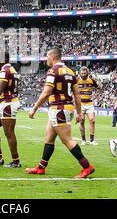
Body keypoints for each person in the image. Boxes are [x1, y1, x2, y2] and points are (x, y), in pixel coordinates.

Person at [25, 47, 95, 178]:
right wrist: (79, 113)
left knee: (67, 140)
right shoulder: (70, 71)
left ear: (52, 57)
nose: (46, 60)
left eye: (47, 57)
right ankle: (41, 167)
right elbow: (77, 95)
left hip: (58, 109)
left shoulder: (53, 71)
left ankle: (87, 167)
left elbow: (46, 92)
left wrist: (34, 108)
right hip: (65, 108)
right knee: (49, 139)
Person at [77, 66, 100, 145]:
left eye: (84, 73)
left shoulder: (91, 81)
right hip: (80, 104)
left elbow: (98, 87)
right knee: (81, 121)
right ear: (80, 73)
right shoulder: (76, 80)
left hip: (89, 103)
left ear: (88, 73)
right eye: (82, 73)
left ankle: (92, 140)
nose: (83, 75)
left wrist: (98, 93)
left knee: (92, 120)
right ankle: (83, 140)